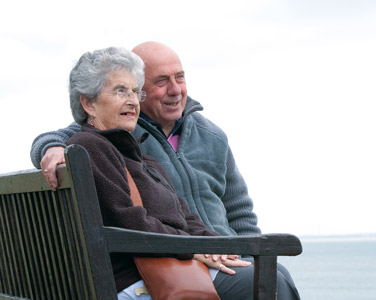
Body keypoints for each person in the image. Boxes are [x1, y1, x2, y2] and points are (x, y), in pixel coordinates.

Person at [63, 47, 300, 300]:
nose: (132, 100)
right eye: (121, 91)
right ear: (88, 103)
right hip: (143, 278)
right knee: (267, 281)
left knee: (272, 272)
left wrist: (221, 249)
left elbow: (187, 217)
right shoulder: (92, 146)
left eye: (134, 91)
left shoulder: (143, 159)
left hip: (172, 262)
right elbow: (130, 221)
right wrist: (194, 249)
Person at [30, 41, 259, 237]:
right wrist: (53, 147)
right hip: (183, 261)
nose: (175, 89)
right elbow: (75, 134)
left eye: (180, 77)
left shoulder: (213, 136)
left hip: (222, 254)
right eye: (161, 81)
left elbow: (240, 211)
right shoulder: (121, 130)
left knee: (275, 277)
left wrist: (255, 259)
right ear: (142, 89)